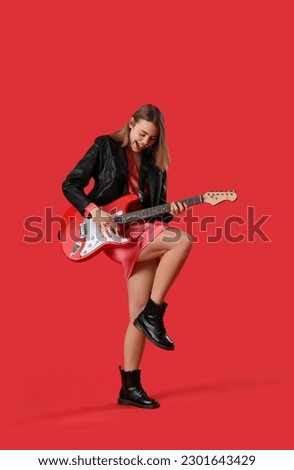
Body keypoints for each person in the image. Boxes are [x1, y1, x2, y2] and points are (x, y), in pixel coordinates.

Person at [62, 104, 192, 409]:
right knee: (183, 242)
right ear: (131, 123)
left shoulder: (156, 165)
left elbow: (158, 209)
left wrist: (172, 209)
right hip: (112, 232)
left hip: (143, 231)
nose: (145, 142)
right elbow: (70, 184)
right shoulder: (104, 146)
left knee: (135, 313)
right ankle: (154, 313)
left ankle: (129, 387)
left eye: (151, 139)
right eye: (142, 133)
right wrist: (93, 211)